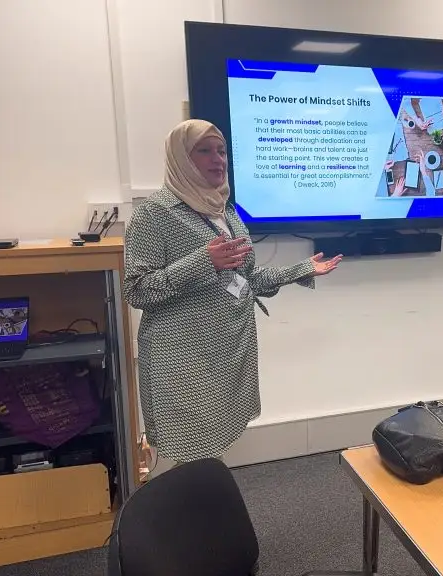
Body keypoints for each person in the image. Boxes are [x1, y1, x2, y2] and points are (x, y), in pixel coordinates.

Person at [124, 119, 342, 478]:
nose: (218, 159)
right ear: (181, 158)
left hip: (226, 352)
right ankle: (196, 512)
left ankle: (208, 509)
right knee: (192, 461)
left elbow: (245, 280)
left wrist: (302, 269)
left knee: (210, 456)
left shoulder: (223, 210)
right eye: (204, 151)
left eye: (222, 151)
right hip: (182, 360)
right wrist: (202, 262)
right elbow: (136, 289)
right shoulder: (154, 214)